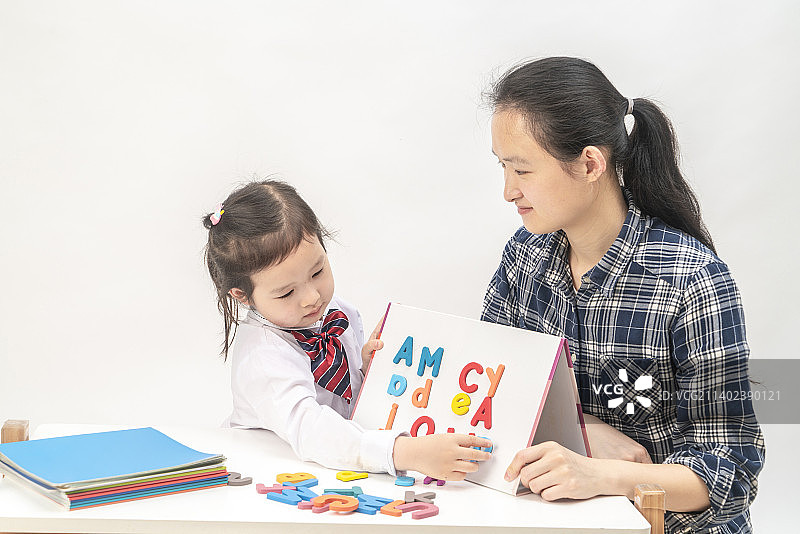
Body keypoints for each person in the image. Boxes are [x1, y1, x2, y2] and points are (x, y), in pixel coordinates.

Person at [481, 57, 764, 533]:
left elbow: (733, 471)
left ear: (590, 163)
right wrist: (586, 431)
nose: (508, 191)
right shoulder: (525, 256)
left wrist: (602, 473)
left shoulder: (692, 279)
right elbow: (498, 386)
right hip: (553, 521)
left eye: (522, 170)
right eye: (503, 167)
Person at [202, 179, 491, 479]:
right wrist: (405, 452)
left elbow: (347, 406)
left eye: (318, 271)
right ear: (243, 295)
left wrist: (368, 371)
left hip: (334, 470)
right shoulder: (263, 356)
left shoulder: (338, 314)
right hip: (269, 473)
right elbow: (311, 428)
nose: (312, 298)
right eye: (287, 293)